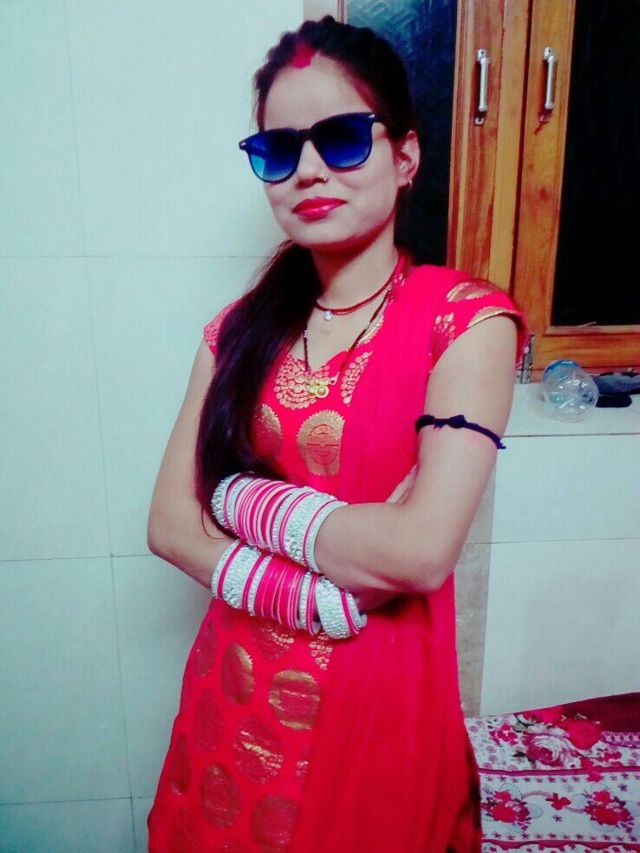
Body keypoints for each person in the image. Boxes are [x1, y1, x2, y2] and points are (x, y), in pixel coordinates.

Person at [146, 15, 530, 852]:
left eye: (343, 137)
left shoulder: (467, 324)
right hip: (233, 694)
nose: (309, 169)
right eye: (279, 150)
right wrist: (320, 581)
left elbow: (419, 553)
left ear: (406, 155)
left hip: (377, 700)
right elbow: (169, 525)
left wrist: (237, 498)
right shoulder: (237, 331)